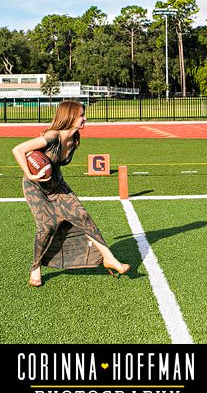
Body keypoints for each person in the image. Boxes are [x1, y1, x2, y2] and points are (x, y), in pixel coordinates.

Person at [12, 100, 131, 288]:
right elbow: (18, 149)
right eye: (81, 115)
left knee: (82, 216)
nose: (85, 119)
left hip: (57, 185)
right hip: (35, 186)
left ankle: (110, 258)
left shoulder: (74, 139)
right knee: (47, 227)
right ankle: (35, 268)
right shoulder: (52, 137)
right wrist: (30, 174)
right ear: (69, 117)